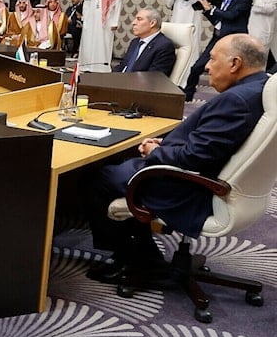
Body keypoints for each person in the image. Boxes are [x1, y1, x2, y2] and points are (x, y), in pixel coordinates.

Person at [82, 34, 268, 283]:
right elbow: (210, 144)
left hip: (191, 188)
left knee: (98, 176)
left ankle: (134, 260)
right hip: (211, 178)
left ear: (235, 63)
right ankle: (144, 252)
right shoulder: (259, 89)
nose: (207, 66)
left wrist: (155, 152)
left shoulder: (236, 101)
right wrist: (166, 144)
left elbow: (194, 158)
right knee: (117, 165)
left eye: (213, 59)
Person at [183, 0, 253, 100]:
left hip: (233, 39)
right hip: (218, 36)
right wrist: (206, 9)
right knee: (197, 66)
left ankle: (234, 98)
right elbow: (216, 17)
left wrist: (212, 9)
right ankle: (188, 94)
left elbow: (232, 15)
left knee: (233, 70)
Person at [78, 0, 123, 72]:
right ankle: (87, 65)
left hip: (106, 23)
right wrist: (85, 19)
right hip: (91, 22)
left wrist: (115, 22)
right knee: (88, 43)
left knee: (103, 43)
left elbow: (117, 8)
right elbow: (86, 6)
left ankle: (100, 67)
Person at [113, 8, 176, 75]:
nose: (133, 23)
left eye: (139, 19)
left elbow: (154, 76)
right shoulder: (135, 42)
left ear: (152, 23)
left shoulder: (164, 46)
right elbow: (123, 66)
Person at [247, 0, 276, 71]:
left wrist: (254, 4)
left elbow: (271, 8)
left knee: (260, 59)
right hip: (252, 29)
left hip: (263, 30)